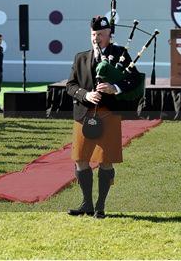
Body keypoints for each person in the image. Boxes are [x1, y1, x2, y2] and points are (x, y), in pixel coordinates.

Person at [66, 16, 140, 219]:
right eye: (93, 34)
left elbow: (134, 79)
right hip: (83, 115)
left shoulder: (121, 55)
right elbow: (70, 86)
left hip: (109, 115)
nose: (96, 38)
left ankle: (100, 205)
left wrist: (114, 87)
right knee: (80, 159)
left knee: (106, 161)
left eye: (100, 34)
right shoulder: (80, 57)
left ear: (109, 35)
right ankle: (87, 203)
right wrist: (85, 94)